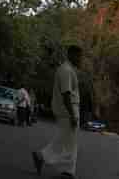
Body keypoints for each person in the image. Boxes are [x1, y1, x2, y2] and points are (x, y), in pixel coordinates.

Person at [32, 45, 82, 179]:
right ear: (71, 55)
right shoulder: (66, 70)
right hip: (68, 111)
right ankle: (43, 157)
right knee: (66, 141)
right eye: (79, 56)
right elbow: (66, 94)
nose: (81, 59)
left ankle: (67, 171)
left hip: (69, 110)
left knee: (68, 141)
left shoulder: (68, 69)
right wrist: (72, 115)